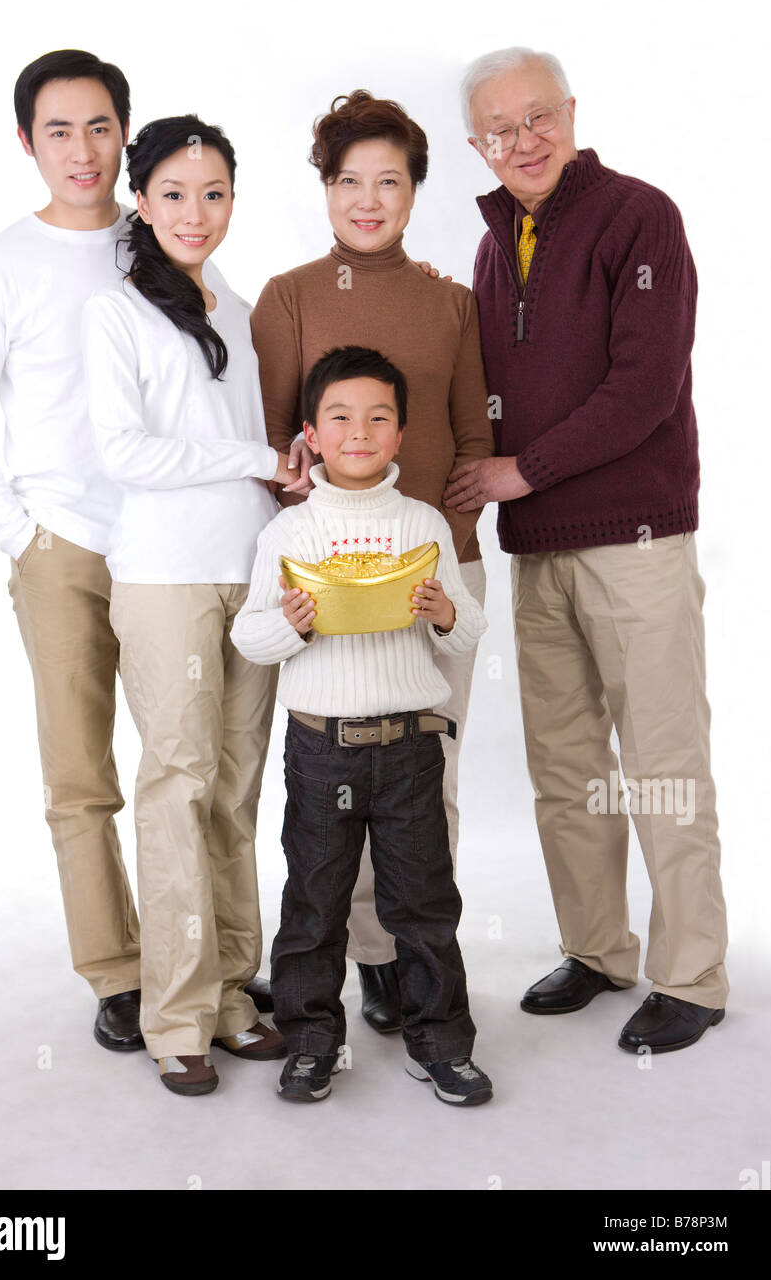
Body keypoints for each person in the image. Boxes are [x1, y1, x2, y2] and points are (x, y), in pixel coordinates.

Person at [446, 46, 728, 1053]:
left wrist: (527, 469)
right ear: (477, 143)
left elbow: (646, 385)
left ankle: (690, 974)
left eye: (538, 117)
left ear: (570, 113)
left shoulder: (638, 215)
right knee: (566, 761)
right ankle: (599, 950)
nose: (523, 141)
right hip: (539, 547)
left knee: (659, 760)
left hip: (635, 537)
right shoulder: (492, 246)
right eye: (499, 128)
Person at [251, 90, 493, 1035]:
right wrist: (318, 530)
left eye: (389, 181)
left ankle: (410, 952)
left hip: (436, 579)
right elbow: (279, 443)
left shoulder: (451, 302)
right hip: (323, 582)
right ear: (324, 187)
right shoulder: (290, 297)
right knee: (338, 773)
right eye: (348, 180)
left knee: (429, 778)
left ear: (414, 190)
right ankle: (362, 955)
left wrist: (441, 553)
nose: (368, 199)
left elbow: (471, 437)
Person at [0, 49, 148, 1053]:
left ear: (124, 133)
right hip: (60, 547)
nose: (82, 149)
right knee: (80, 775)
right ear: (27, 142)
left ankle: (206, 961)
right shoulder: (0, 264)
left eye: (99, 126)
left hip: (164, 544)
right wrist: (23, 536)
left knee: (194, 767)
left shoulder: (161, 240)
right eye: (58, 130)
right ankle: (116, 972)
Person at [83, 115, 298, 1095]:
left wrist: (283, 481)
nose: (195, 212)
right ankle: (174, 1015)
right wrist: (255, 458)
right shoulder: (117, 313)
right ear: (141, 200)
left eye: (213, 193)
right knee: (178, 781)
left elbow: (253, 454)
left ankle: (231, 993)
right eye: (174, 192)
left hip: (247, 573)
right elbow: (125, 454)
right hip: (164, 578)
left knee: (237, 787)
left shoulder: (245, 310)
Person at [231, 347, 492, 1105]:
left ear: (402, 434)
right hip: (322, 748)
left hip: (412, 744)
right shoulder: (289, 534)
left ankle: (440, 1043)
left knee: (425, 902)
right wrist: (292, 627)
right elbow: (251, 638)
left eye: (379, 417)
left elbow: (467, 630)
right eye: (340, 417)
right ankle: (313, 1042)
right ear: (311, 433)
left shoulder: (422, 522)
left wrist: (444, 613)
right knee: (315, 904)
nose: (359, 431)